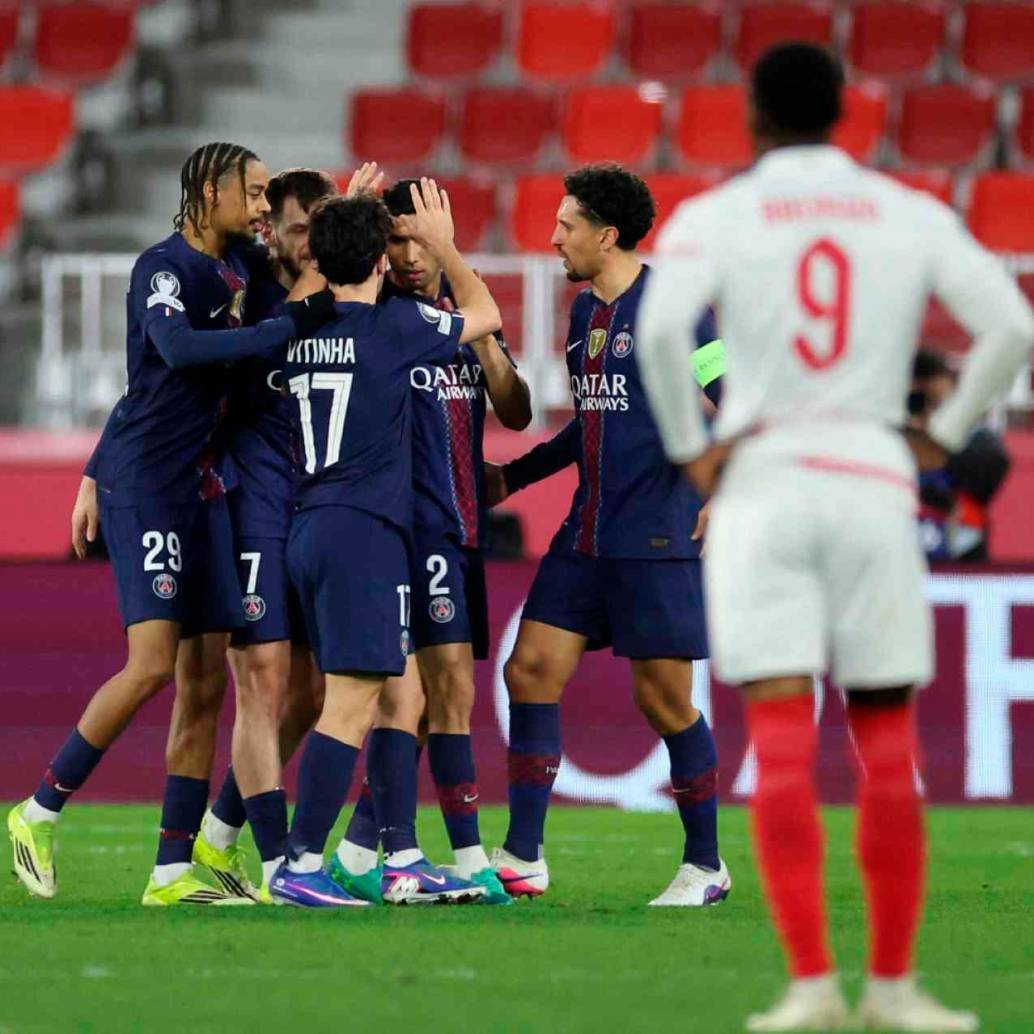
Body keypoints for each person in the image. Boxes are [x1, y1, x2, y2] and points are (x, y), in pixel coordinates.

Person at [636, 42, 1034, 1032]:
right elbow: (1011, 330)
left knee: (777, 735)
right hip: (869, 479)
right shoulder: (903, 212)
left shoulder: (718, 215)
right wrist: (939, 435)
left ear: (753, 118)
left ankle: (809, 983)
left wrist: (692, 448)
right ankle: (893, 986)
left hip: (761, 483)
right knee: (884, 740)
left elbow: (657, 333)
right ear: (845, 117)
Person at [7, 142, 336, 906]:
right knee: (151, 664)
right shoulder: (163, 268)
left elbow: (295, 301)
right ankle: (38, 810)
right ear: (209, 189)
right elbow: (174, 352)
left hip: (205, 486)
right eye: (252, 193)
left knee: (203, 687)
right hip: (148, 484)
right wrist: (99, 465)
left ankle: (170, 871)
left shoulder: (240, 266)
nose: (260, 208)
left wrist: (338, 229)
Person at [484, 164, 729, 909]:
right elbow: (588, 425)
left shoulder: (678, 311)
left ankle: (706, 866)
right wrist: (514, 476)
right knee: (529, 671)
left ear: (606, 234)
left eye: (566, 226)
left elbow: (736, 397)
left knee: (664, 702)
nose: (554, 238)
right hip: (585, 534)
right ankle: (523, 854)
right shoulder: (584, 314)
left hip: (656, 533)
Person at [269, 181, 504, 907]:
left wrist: (348, 219)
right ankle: (300, 865)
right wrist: (443, 244)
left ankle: (399, 854)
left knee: (401, 692)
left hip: (307, 525)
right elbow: (487, 314)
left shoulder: (297, 327)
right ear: (378, 263)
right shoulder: (393, 331)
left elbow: (319, 284)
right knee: (352, 704)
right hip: (364, 532)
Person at [332, 179, 531, 906]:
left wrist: (490, 356)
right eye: (395, 239)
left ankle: (361, 849)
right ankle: (455, 856)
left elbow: (516, 409)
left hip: (460, 526)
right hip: (400, 530)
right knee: (424, 695)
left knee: (438, 697)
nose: (410, 255)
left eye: (421, 239)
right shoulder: (374, 320)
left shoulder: (462, 319)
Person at [192, 165, 383, 903]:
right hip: (255, 504)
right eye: (301, 230)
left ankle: (219, 834)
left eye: (319, 232)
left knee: (312, 693)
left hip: (317, 508)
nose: (312, 246)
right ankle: (277, 863)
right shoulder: (253, 291)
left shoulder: (345, 299)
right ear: (271, 228)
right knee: (262, 678)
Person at [910, 348, 1011, 562]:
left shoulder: (977, 439)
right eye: (918, 401)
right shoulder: (882, 440)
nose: (928, 409)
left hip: (960, 559)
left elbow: (992, 471)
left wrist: (939, 438)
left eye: (937, 402)